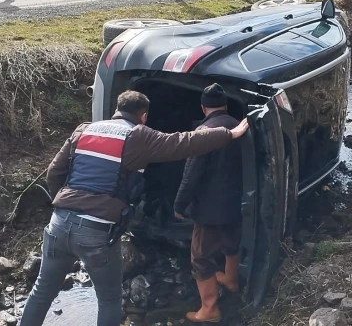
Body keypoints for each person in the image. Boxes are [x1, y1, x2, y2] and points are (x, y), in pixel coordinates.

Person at [18, 90, 249, 326]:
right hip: (97, 231)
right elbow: (185, 142)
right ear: (144, 116)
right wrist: (228, 133)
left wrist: (65, 205)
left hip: (58, 223)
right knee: (109, 299)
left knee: (42, 290)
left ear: (116, 109)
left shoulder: (84, 129)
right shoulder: (138, 136)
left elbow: (54, 173)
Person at [173, 84, 243, 323]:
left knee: (201, 257)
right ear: (225, 105)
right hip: (237, 201)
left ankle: (210, 309)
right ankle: (231, 279)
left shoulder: (203, 133)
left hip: (209, 208)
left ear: (203, 108)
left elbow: (191, 174)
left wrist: (180, 205)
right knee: (230, 243)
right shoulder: (240, 125)